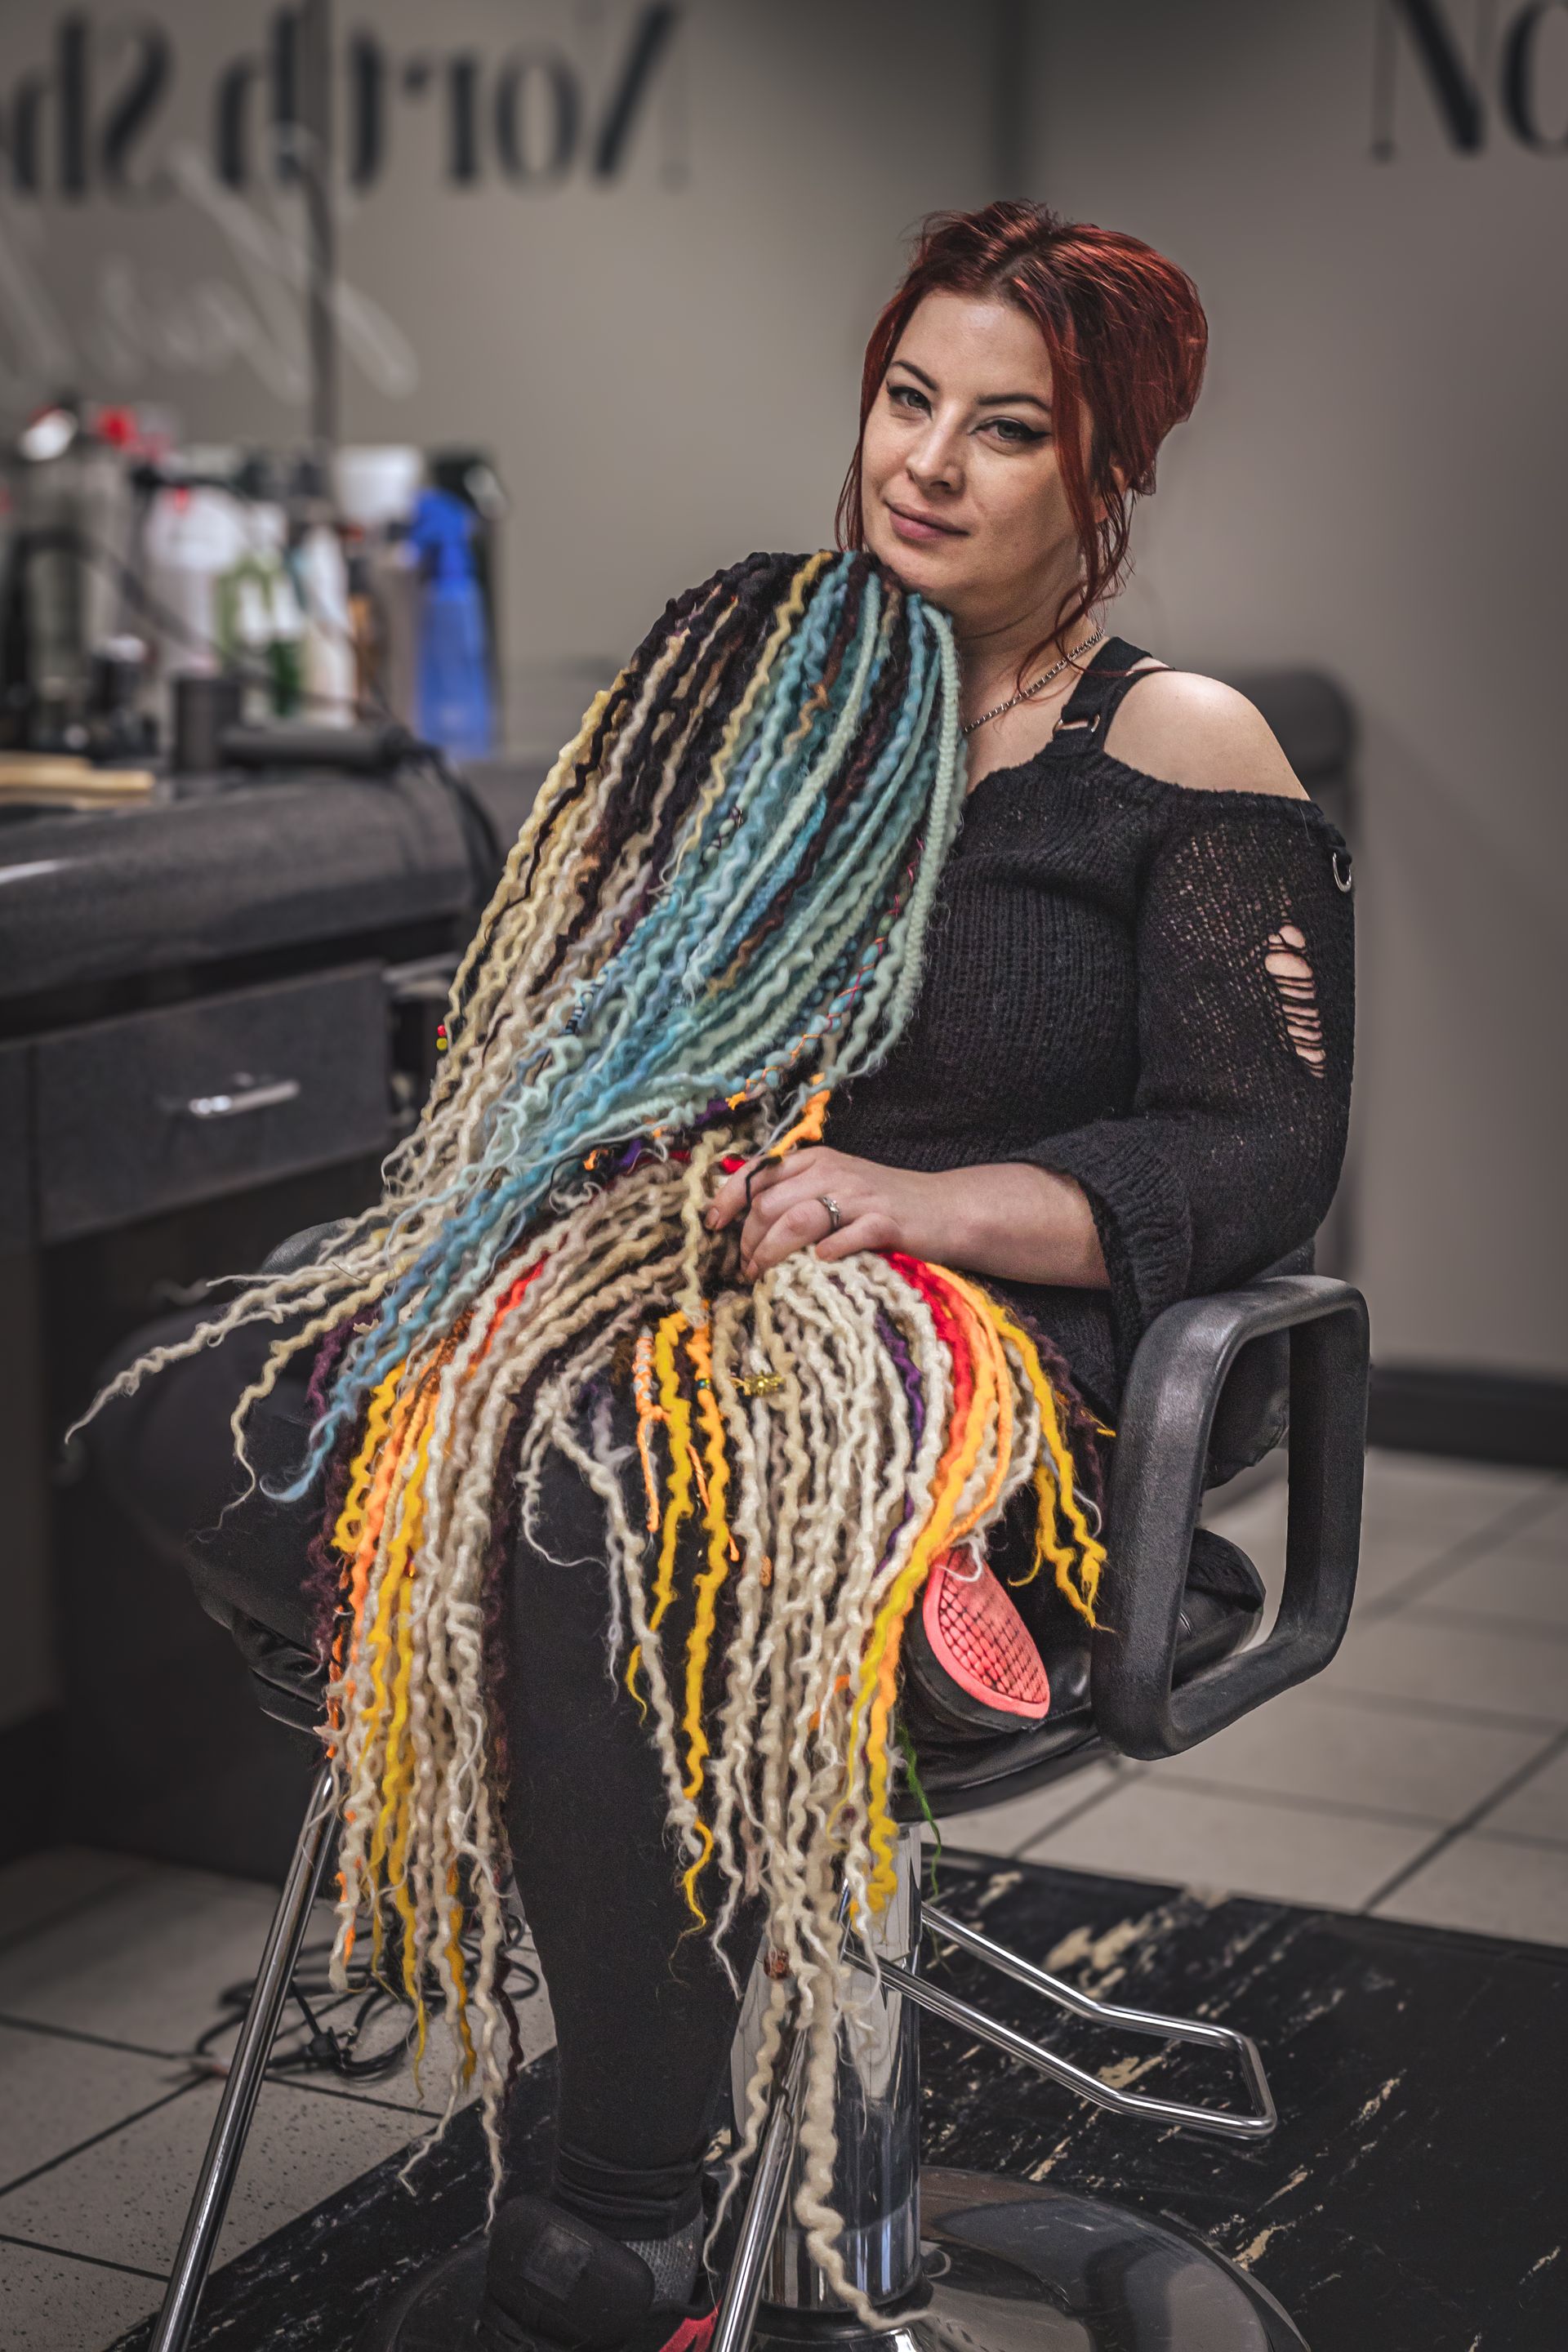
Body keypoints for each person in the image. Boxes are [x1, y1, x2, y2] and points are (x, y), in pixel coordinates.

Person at [87, 203, 1352, 2352]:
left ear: (1109, 472)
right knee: (181, 1408)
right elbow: (584, 1034)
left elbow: (1258, 1146)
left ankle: (624, 2215)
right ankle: (617, 1730)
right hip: (682, 1313)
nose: (926, 463)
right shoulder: (758, 723)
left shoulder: (1181, 745)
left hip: (987, 1366)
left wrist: (917, 1205)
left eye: (1008, 429)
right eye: (904, 400)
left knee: (584, 1474)